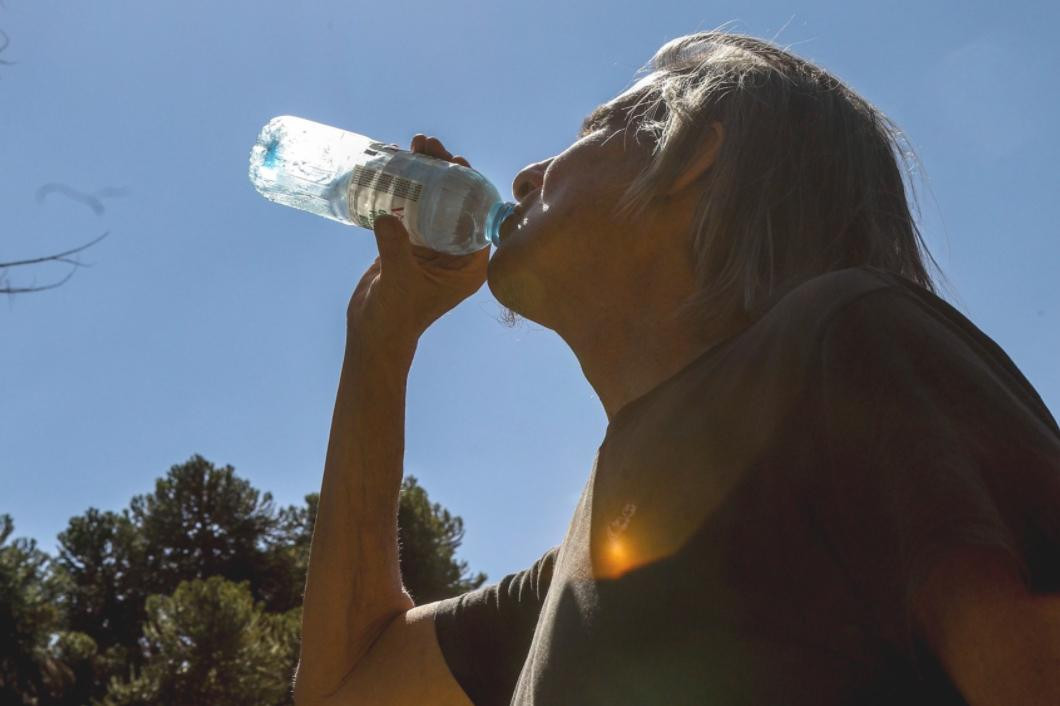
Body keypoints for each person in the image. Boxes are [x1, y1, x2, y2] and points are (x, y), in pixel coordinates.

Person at [291, 32, 1060, 706]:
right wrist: (379, 342)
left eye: (596, 128)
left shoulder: (849, 342)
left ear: (693, 154)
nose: (526, 175)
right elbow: (346, 684)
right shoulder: (593, 567)